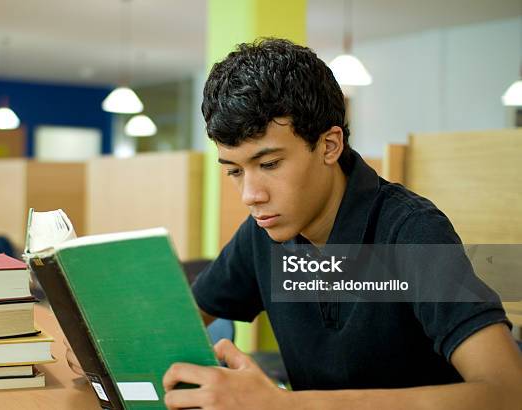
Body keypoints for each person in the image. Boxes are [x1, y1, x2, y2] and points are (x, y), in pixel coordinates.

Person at [162, 38, 522, 409]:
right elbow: (172, 326)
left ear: (330, 145)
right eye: (235, 171)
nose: (250, 195)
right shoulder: (261, 235)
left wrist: (284, 405)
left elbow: (508, 392)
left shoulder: (411, 231)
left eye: (269, 164)